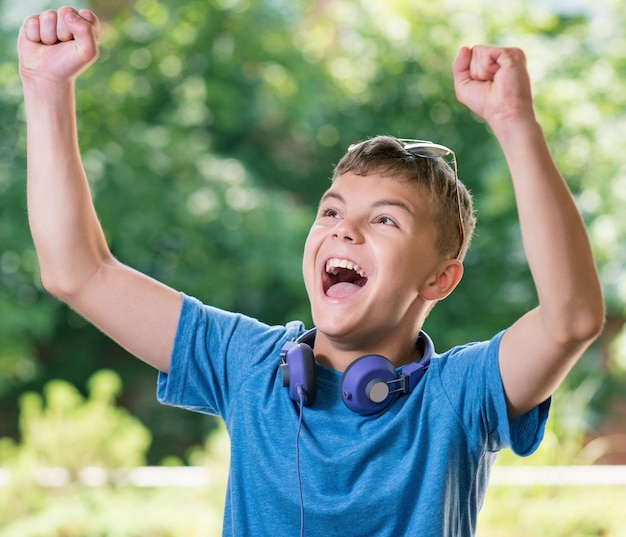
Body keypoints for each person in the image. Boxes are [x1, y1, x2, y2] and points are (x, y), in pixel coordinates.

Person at [18, 6, 604, 537]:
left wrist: (514, 121)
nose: (344, 231)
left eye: (385, 222)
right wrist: (45, 89)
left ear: (439, 280)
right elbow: (77, 271)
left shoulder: (459, 397)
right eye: (331, 211)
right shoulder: (248, 367)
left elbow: (572, 319)